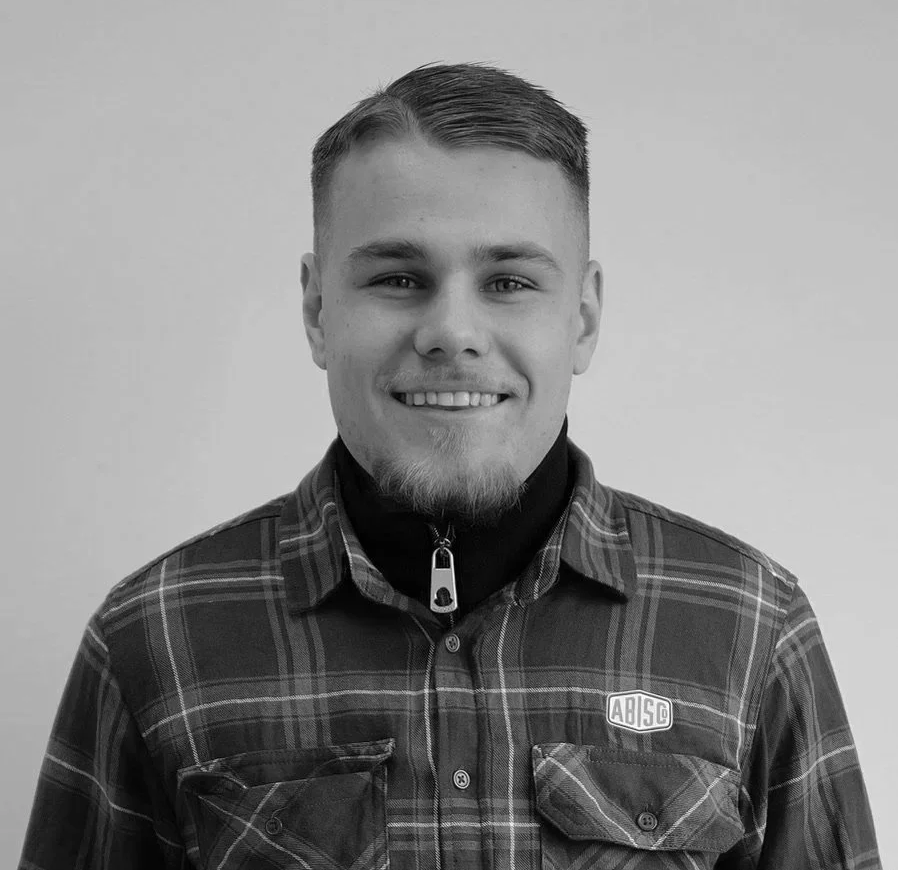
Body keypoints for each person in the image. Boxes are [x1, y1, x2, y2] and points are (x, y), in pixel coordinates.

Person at [20, 62, 880, 870]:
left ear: (581, 319)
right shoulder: (152, 637)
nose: (451, 331)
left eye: (508, 281)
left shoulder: (750, 628)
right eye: (398, 277)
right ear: (318, 310)